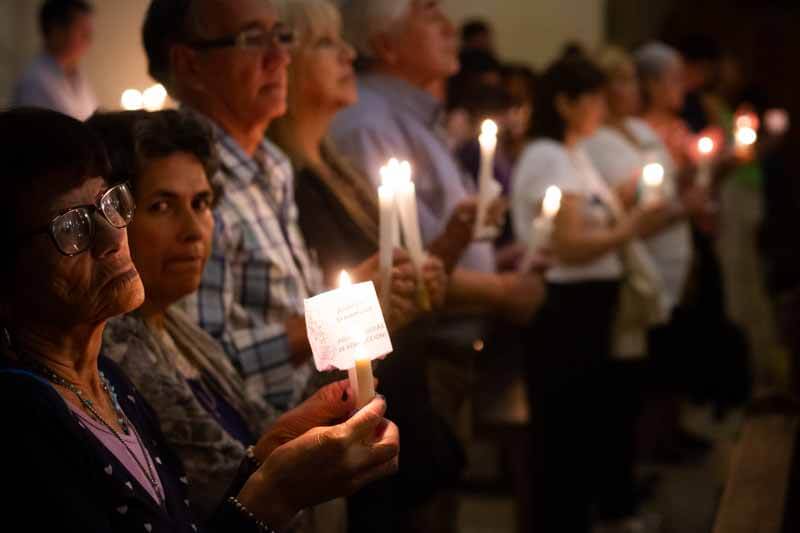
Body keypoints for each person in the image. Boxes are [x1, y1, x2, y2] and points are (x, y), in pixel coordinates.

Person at [0, 107, 400, 532]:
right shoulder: (21, 423)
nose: (112, 236)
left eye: (109, 203)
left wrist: (265, 457)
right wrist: (278, 493)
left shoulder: (111, 381)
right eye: (72, 227)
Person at [266, 2, 470, 530]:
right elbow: (318, 314)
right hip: (354, 409)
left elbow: (389, 280)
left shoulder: (329, 164)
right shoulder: (290, 178)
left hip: (401, 395)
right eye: (326, 44)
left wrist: (433, 261)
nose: (348, 55)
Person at [142, 0, 390, 411]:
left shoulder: (271, 166)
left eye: (282, 36)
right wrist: (331, 321)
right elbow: (195, 366)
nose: (280, 57)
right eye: (253, 39)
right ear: (190, 65)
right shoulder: (192, 191)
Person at [511, 57, 665, 533]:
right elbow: (569, 244)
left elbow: (592, 211)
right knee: (563, 435)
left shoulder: (572, 153)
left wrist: (633, 193)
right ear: (564, 103)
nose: (603, 106)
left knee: (585, 429)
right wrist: (633, 228)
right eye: (593, 97)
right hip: (565, 311)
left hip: (588, 308)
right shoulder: (548, 156)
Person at [11, 0, 97, 119]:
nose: (88, 38)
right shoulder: (34, 83)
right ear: (56, 30)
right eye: (82, 30)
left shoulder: (76, 78)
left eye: (88, 31)